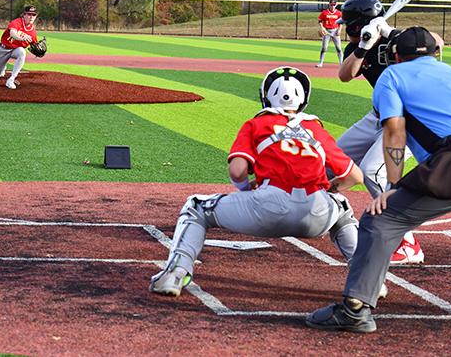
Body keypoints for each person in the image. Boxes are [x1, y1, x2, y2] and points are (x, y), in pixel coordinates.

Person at [306, 26, 451, 333]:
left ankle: (354, 309)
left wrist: (393, 187)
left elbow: (394, 131)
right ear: (435, 52)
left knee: (381, 221)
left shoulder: (392, 75)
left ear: (394, 56)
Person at [150, 66, 382, 300]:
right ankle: (368, 281)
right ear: (303, 100)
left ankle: (175, 274)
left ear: (266, 96)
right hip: (318, 211)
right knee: (342, 206)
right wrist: (327, 189)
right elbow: (354, 177)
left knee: (196, 207)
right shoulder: (315, 128)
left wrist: (245, 189)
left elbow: (238, 170)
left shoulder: (256, 124)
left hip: (268, 206)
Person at [332, 0, 442, 265]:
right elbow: (345, 75)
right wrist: (363, 47)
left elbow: (437, 43)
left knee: (372, 172)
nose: (346, 28)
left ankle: (408, 243)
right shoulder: (359, 43)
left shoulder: (401, 40)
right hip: (377, 115)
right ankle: (318, 211)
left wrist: (392, 33)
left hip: (404, 121)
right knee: (333, 159)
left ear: (359, 23)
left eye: (350, 24)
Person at [0, 5, 41, 89]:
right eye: (29, 14)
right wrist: (22, 38)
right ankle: (2, 68)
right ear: (24, 15)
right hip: (4, 49)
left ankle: (11, 79)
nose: (31, 17)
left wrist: (39, 50)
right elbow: (13, 33)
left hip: (16, 50)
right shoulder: (17, 22)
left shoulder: (32, 32)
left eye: (33, 15)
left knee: (22, 52)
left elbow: (34, 45)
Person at [316, 0, 343, 68]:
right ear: (329, 5)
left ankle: (341, 63)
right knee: (324, 48)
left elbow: (341, 23)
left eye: (334, 5)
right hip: (327, 31)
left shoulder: (338, 13)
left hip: (335, 31)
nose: (333, 6)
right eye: (331, 5)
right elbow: (320, 20)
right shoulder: (325, 12)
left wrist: (339, 30)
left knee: (339, 48)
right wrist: (322, 28)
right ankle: (320, 63)